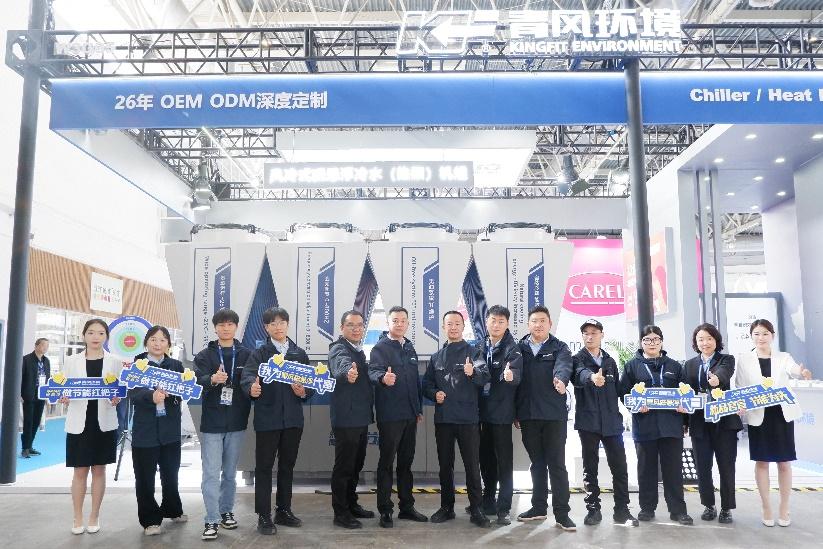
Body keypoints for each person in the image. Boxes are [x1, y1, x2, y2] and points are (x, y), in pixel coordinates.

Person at [240, 307, 315, 536]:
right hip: (267, 419)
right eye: (272, 323)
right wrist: (251, 388)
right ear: (266, 328)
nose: (278, 327)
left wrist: (304, 391)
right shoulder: (260, 353)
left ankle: (283, 510)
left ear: (288, 324)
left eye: (282, 322)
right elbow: (248, 376)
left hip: (293, 420)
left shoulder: (299, 354)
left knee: (287, 466)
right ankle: (264, 515)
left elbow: (310, 384)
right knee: (264, 468)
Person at [734, 319, 812, 527]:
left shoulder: (783, 357)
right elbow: (740, 386)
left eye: (765, 333)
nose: (761, 338)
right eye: (757, 334)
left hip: (781, 415)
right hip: (758, 415)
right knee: (762, 462)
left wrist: (801, 372)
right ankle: (766, 506)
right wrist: (740, 404)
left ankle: (784, 507)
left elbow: (793, 368)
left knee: (784, 463)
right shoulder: (744, 359)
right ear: (751, 336)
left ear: (772, 336)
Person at [619, 325, 693, 526]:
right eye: (647, 340)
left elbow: (686, 392)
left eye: (655, 339)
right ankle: (647, 508)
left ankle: (678, 511)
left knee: (673, 470)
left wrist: (684, 415)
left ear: (661, 342)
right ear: (641, 343)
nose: (652, 343)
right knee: (646, 470)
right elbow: (623, 393)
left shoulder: (675, 366)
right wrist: (635, 405)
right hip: (645, 425)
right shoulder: (632, 366)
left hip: (671, 426)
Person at [422, 311, 490, 528]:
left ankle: (477, 508)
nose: (453, 327)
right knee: (445, 466)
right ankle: (447, 507)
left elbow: (485, 377)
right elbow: (426, 385)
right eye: (449, 324)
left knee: (472, 466)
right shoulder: (436, 357)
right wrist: (434, 394)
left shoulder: (474, 352)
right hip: (444, 419)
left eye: (457, 324)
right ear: (444, 328)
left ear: (463, 326)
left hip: (468, 419)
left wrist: (472, 373)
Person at [572, 319, 638, 527]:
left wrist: (636, 403)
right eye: (586, 333)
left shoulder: (610, 361)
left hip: (612, 423)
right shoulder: (577, 359)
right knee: (590, 469)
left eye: (594, 332)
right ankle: (593, 510)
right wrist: (592, 377)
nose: (589, 336)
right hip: (588, 423)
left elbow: (619, 390)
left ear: (602, 335)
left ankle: (622, 511)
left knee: (620, 468)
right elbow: (579, 375)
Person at [193, 308, 252, 540]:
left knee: (229, 473)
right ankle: (211, 519)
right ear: (215, 328)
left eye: (230, 324)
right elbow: (196, 383)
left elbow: (250, 381)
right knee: (210, 474)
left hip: (237, 421)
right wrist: (211, 379)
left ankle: (226, 511)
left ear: (236, 327)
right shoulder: (204, 355)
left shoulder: (246, 354)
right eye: (221, 324)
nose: (226, 328)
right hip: (212, 423)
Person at [515, 305, 576, 531]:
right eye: (534, 321)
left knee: (556, 464)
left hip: (553, 416)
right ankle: (538, 507)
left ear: (550, 324)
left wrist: (561, 380)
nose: (538, 325)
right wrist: (516, 412)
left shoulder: (559, 347)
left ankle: (562, 513)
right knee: (537, 464)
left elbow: (564, 366)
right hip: (528, 415)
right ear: (528, 324)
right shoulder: (519, 348)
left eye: (543, 321)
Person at [368, 306, 427, 528]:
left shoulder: (409, 347)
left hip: (410, 415)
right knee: (386, 463)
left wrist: (418, 409)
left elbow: (415, 382)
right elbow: (373, 371)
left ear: (408, 324)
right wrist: (383, 378)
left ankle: (406, 507)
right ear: (388, 323)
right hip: (391, 415)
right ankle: (385, 509)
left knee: (406, 463)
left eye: (403, 320)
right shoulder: (380, 348)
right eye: (395, 320)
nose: (399, 324)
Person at [61, 319, 122, 534]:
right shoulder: (71, 361)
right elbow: (64, 387)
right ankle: (77, 517)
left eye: (101, 333)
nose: (96, 337)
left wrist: (116, 398)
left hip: (104, 422)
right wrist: (64, 397)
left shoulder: (115, 361)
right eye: (91, 332)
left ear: (106, 337)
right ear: (84, 335)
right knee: (79, 471)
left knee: (99, 469)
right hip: (79, 422)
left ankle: (94, 516)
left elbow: (118, 391)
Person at [130, 325, 188, 536]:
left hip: (170, 430)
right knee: (145, 478)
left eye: (163, 340)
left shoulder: (176, 365)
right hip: (145, 432)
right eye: (153, 339)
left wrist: (180, 391)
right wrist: (150, 396)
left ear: (168, 344)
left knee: (171, 474)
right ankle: (150, 520)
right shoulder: (137, 365)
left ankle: (172, 509)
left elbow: (183, 391)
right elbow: (133, 393)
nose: (157, 343)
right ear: (146, 342)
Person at [682, 323, 742, 524]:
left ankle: (726, 508)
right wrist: (684, 422)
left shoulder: (726, 359)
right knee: (702, 467)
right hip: (699, 424)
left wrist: (716, 379)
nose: (705, 342)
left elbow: (725, 373)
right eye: (700, 339)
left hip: (724, 423)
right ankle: (709, 505)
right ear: (695, 342)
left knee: (726, 466)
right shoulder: (689, 365)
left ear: (716, 340)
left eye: (709, 338)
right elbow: (686, 394)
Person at [328, 309, 376, 529]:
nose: (356, 329)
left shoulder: (358, 350)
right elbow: (342, 364)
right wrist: (348, 372)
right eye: (351, 325)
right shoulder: (339, 348)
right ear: (342, 328)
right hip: (346, 419)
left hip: (360, 417)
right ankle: (341, 512)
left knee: (356, 465)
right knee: (344, 467)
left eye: (359, 325)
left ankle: (351, 504)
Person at [477, 305, 522, 525]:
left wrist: (510, 376)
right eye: (493, 320)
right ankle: (488, 500)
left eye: (501, 321)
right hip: (482, 413)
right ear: (486, 322)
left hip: (502, 413)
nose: (496, 325)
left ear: (507, 324)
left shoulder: (512, 348)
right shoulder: (480, 345)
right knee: (486, 460)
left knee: (504, 462)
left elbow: (517, 375)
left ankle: (504, 508)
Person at [20, 337, 51, 458]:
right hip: (29, 396)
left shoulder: (46, 361)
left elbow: (48, 379)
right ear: (36, 346)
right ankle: (25, 448)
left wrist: (48, 396)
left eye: (47, 346)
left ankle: (30, 446)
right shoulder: (26, 359)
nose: (45, 348)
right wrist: (20, 395)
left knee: (36, 422)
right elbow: (20, 378)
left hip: (41, 396)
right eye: (43, 345)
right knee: (28, 422)